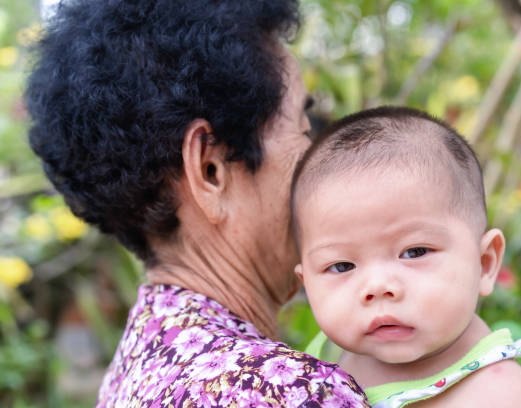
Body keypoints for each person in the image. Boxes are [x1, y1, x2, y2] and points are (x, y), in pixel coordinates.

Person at [25, 0, 370, 406]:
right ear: (210, 170)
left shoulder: (139, 361)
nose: (321, 161)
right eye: (304, 129)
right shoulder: (284, 390)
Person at [290, 106, 521, 407]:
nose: (377, 286)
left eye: (414, 252)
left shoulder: (501, 395)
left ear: (485, 264)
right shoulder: (326, 353)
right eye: (341, 265)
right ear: (307, 283)